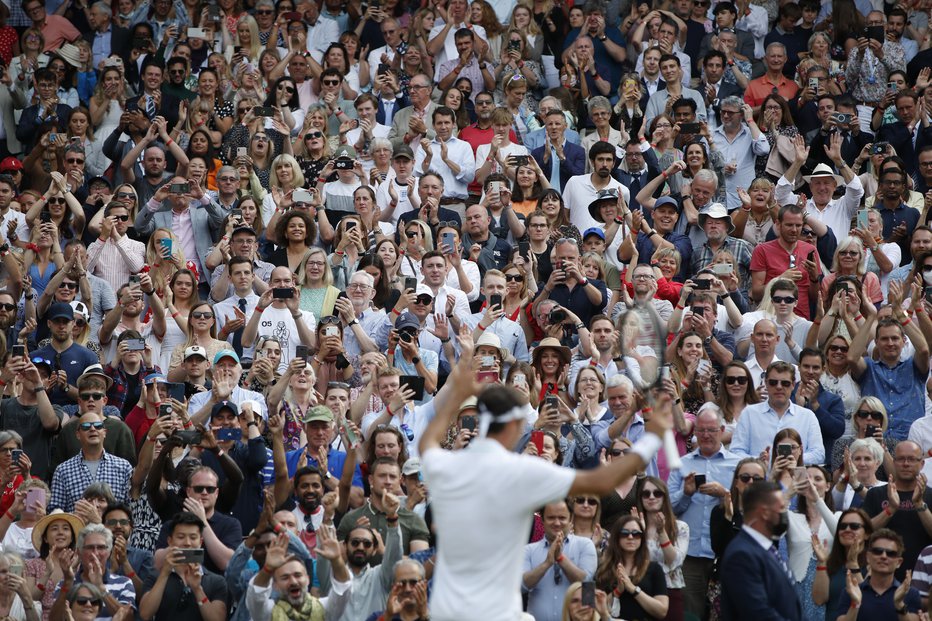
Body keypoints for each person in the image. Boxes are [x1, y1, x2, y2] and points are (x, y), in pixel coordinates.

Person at [418, 335, 671, 620]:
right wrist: (653, 437)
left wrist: (457, 393)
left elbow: (426, 444)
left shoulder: (449, 464)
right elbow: (601, 482)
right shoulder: (522, 470)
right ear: (516, 424)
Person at [668, 405, 741, 618]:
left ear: (722, 430)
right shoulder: (681, 464)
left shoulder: (737, 465)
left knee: (724, 614)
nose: (706, 435)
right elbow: (669, 508)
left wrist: (724, 494)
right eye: (701, 430)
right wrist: (686, 492)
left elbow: (748, 509)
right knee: (690, 614)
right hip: (690, 554)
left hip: (726, 555)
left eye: (711, 430)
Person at [719, 480, 802, 620]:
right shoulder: (741, 555)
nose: (784, 514)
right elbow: (758, 613)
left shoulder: (767, 548)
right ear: (764, 513)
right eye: (781, 508)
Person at [862, 440, 932, 580]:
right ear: (894, 462)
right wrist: (891, 509)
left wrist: (919, 504)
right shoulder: (875, 494)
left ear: (922, 463)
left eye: (912, 459)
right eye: (901, 459)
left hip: (923, 578)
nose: (906, 464)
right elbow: (864, 533)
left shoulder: (930, 495)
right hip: (880, 577)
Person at [731, 361, 825, 465]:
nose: (779, 387)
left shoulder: (807, 416)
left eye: (785, 383)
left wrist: (794, 457)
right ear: (766, 383)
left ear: (793, 385)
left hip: (795, 479)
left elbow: (819, 454)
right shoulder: (749, 413)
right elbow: (735, 452)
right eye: (773, 382)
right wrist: (759, 460)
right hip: (760, 479)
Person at [522, 500, 598, 621]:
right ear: (542, 520)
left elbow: (586, 582)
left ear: (571, 518)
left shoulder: (585, 545)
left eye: (562, 518)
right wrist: (547, 563)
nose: (557, 523)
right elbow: (522, 586)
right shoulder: (528, 550)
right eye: (551, 518)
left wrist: (561, 558)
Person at [835, 528, 922, 619]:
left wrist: (899, 604)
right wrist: (855, 604)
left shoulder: (910, 593)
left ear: (899, 562)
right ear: (868, 557)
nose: (883, 556)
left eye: (890, 553)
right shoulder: (850, 592)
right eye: (877, 551)